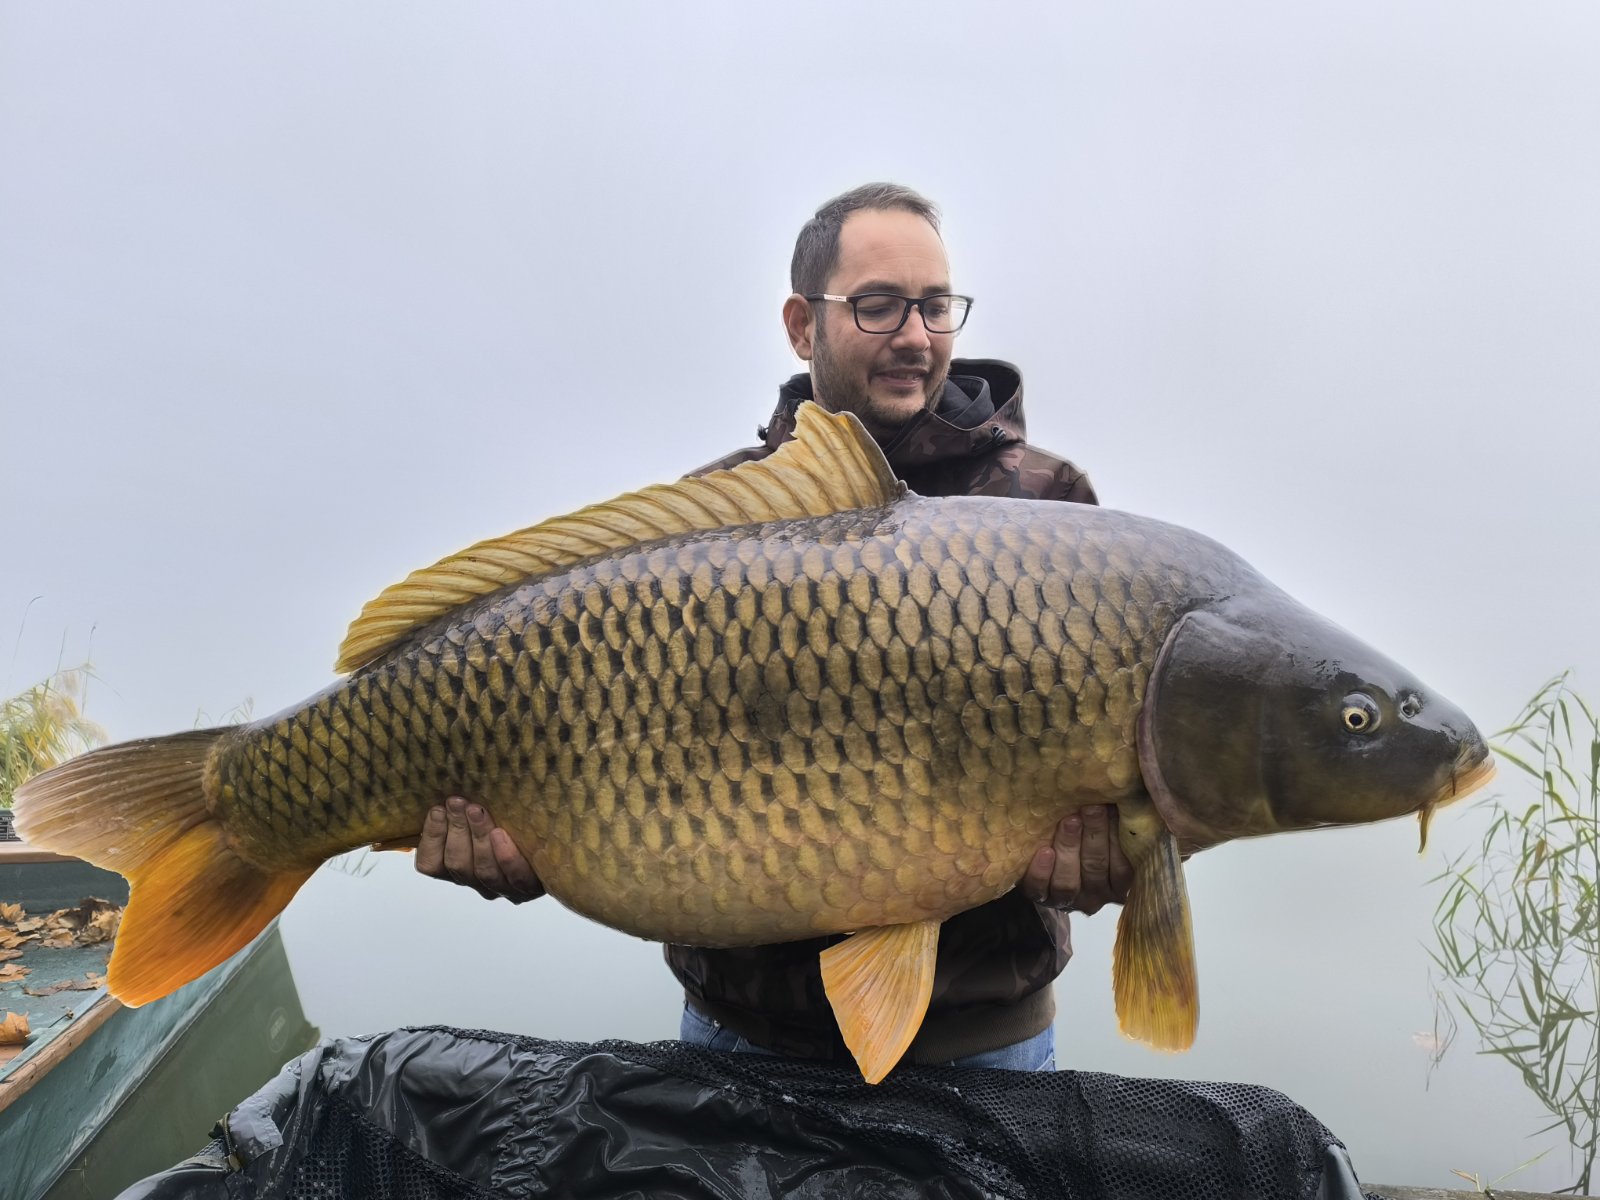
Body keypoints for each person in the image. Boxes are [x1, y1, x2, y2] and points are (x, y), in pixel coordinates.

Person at [416, 183, 1132, 1072]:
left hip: (988, 1046)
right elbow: (608, 770)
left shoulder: (1050, 511)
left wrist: (1116, 861)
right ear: (803, 325)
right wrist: (532, 842)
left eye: (936, 305)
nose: (916, 335)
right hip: (736, 1043)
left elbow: (1110, 796)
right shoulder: (714, 525)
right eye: (878, 305)